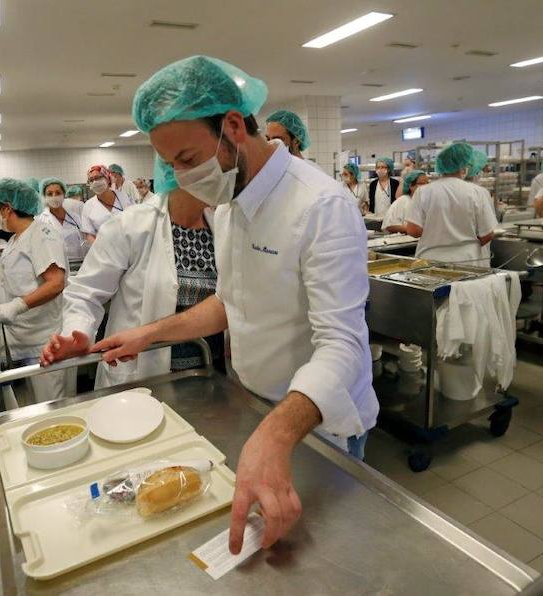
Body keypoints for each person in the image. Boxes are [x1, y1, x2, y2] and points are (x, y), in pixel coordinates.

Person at [62, 55, 378, 555]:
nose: (183, 177)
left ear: (233, 126)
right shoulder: (231, 205)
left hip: (315, 426)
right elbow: (231, 303)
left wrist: (275, 435)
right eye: (171, 167)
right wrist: (150, 333)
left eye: (188, 159)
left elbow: (343, 346)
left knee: (324, 559)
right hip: (256, 409)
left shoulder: (320, 206)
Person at [42, 158, 223, 386]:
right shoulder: (131, 224)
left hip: (212, 370)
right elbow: (85, 293)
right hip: (145, 373)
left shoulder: (222, 222)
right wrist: (77, 332)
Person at [0, 178, 68, 401]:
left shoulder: (42, 235)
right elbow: (18, 288)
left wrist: (19, 306)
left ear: (7, 208)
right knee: (34, 408)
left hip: (43, 341)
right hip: (22, 339)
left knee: (52, 410)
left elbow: (56, 282)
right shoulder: (16, 239)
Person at [405, 143, 498, 266]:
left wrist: (436, 233)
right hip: (467, 262)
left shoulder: (423, 191)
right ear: (464, 166)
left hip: (429, 261)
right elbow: (487, 234)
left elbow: (413, 230)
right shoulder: (478, 192)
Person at [81, 164, 134, 244]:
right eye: (91, 180)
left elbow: (135, 221)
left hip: (129, 246)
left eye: (98, 177)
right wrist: (99, 250)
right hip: (104, 251)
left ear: (108, 178)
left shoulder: (124, 198)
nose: (95, 182)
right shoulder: (88, 206)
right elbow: (89, 234)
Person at [37, 177, 86, 262]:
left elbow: (84, 240)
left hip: (77, 263)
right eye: (49, 194)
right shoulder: (40, 220)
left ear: (64, 194)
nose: (54, 196)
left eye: (58, 193)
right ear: (44, 197)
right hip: (54, 266)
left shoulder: (75, 218)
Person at [383, 170, 427, 234]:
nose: (425, 186)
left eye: (427, 183)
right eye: (421, 183)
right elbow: (389, 226)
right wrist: (412, 229)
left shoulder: (426, 202)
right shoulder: (402, 201)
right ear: (411, 186)